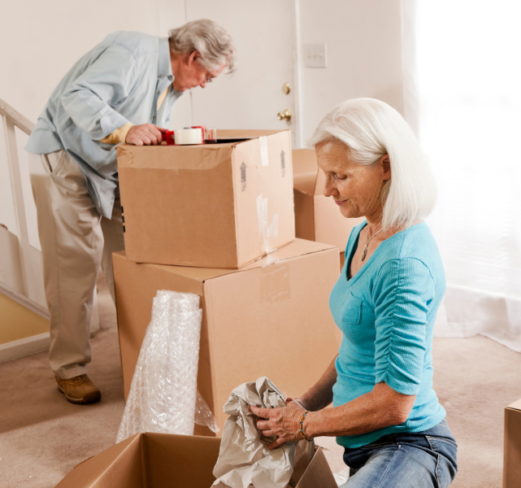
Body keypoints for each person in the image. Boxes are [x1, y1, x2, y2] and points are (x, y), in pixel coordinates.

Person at [24, 21, 234, 404]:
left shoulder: (167, 83)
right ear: (192, 57)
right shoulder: (132, 53)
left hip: (108, 168)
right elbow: (78, 95)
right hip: (66, 158)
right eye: (207, 76)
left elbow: (144, 135)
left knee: (134, 259)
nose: (204, 84)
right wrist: (125, 130)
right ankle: (69, 369)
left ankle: (143, 358)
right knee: (75, 264)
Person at [249, 98, 456, 487]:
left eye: (339, 176)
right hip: (365, 447)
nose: (326, 189)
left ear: (386, 166)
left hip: (408, 444)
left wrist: (305, 424)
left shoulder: (403, 265)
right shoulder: (364, 232)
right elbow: (355, 347)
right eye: (325, 174)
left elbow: (395, 404)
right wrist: (305, 403)